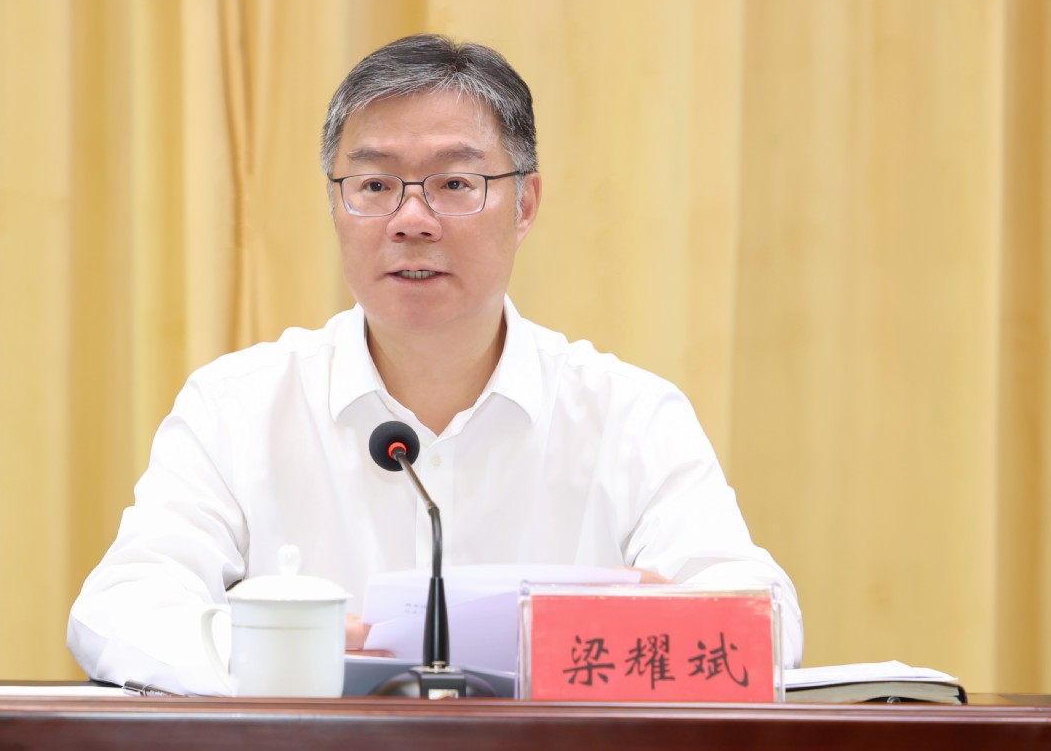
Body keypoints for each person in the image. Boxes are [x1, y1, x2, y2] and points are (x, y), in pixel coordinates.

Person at [67, 34, 802, 695]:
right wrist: (273, 651)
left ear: (524, 204)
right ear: (335, 205)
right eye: (374, 185)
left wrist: (609, 628)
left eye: (454, 184)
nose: (410, 220)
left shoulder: (628, 416)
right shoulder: (239, 405)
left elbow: (763, 622)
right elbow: (118, 607)